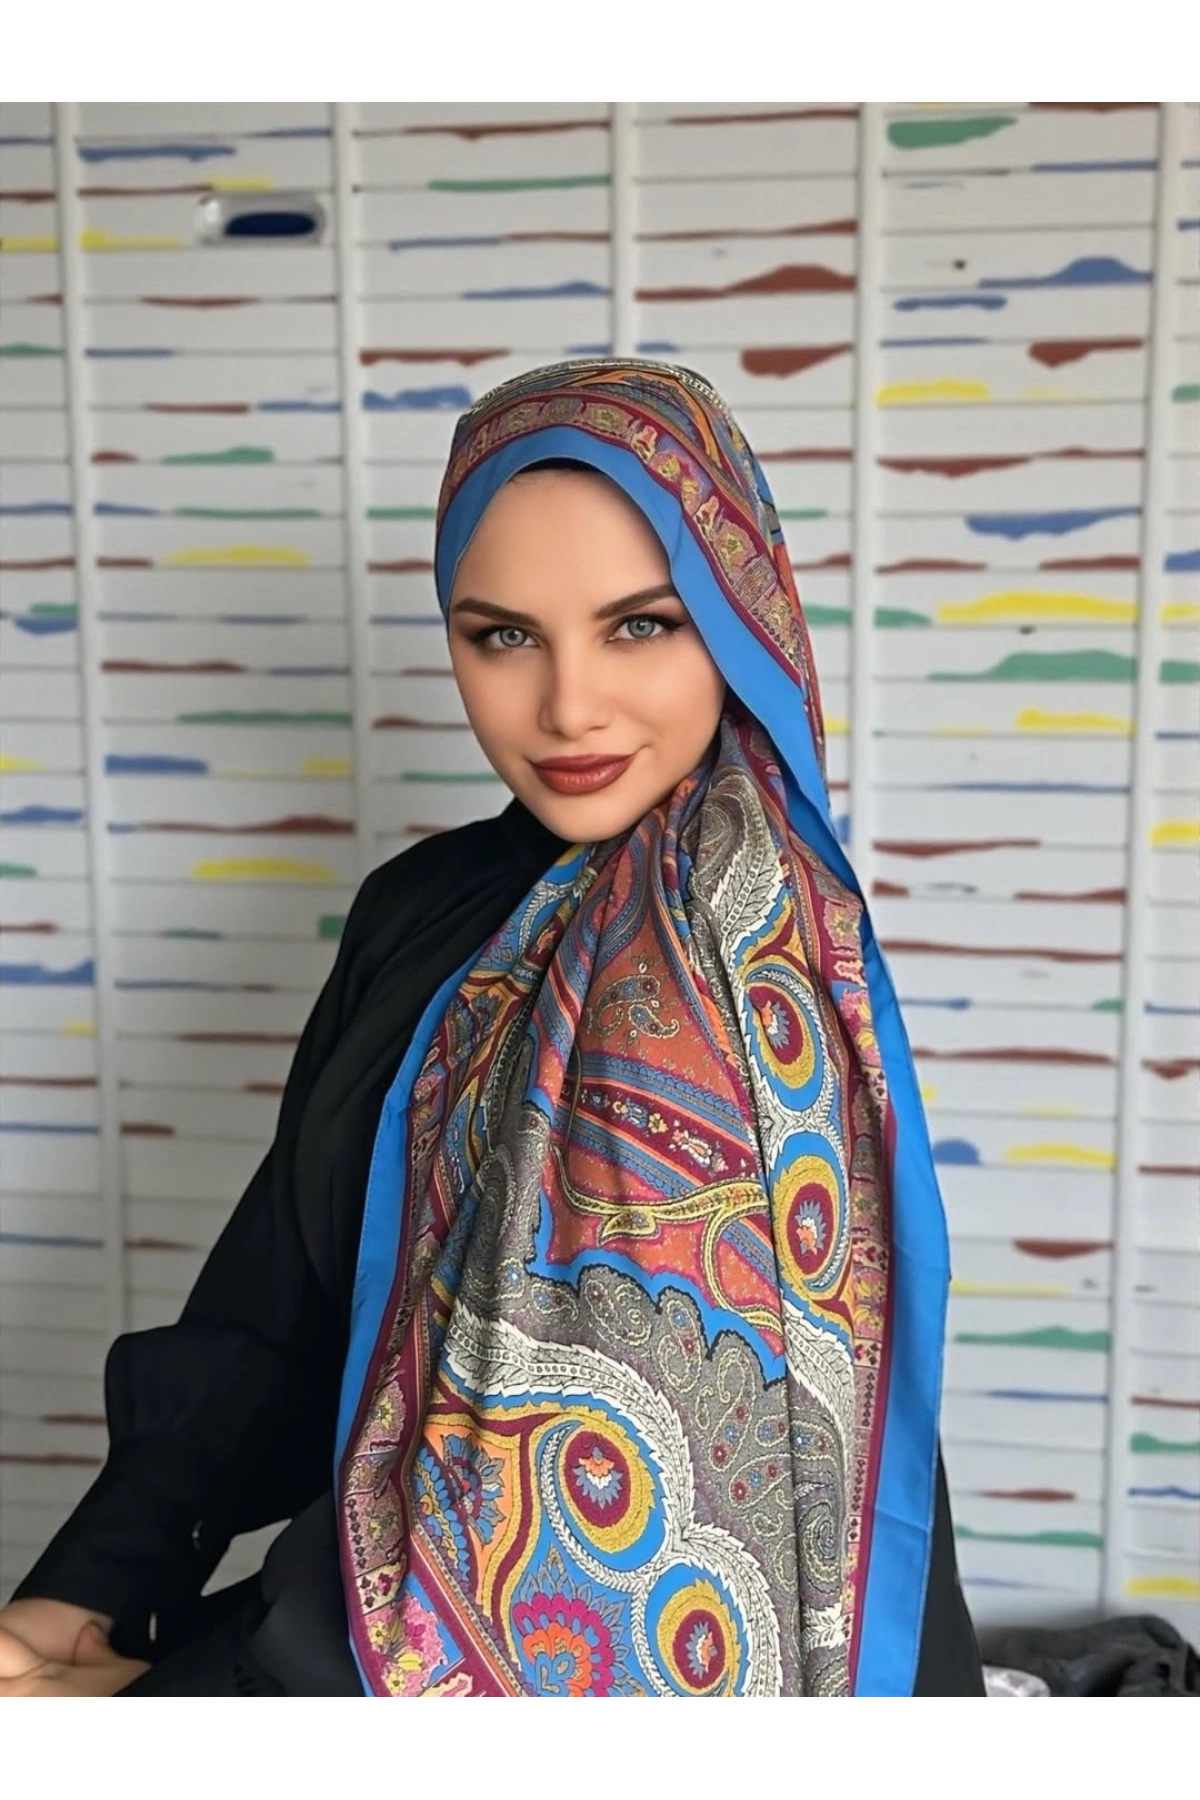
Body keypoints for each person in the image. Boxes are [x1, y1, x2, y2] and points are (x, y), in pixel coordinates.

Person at [0, 359, 984, 1702]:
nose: (569, 706)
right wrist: (93, 1582)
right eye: (504, 636)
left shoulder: (748, 967)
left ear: (740, 620)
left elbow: (567, 1573)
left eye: (641, 626)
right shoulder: (422, 907)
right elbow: (278, 1293)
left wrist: (150, 1705)